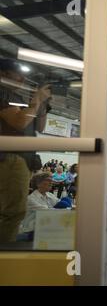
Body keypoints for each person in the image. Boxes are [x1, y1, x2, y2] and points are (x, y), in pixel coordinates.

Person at [0, 59, 53, 243]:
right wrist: (36, 100)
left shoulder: (19, 99)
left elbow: (40, 126)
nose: (22, 79)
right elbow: (19, 122)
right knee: (12, 211)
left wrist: (42, 104)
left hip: (21, 159)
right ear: (4, 74)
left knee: (14, 210)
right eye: (18, 74)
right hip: (10, 158)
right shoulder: (2, 93)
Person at [20, 173, 71, 239]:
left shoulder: (49, 194)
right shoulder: (31, 199)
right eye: (48, 180)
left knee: (65, 199)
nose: (51, 182)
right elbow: (48, 212)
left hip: (46, 224)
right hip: (32, 230)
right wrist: (68, 210)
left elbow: (61, 204)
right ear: (38, 184)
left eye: (51, 180)